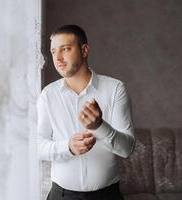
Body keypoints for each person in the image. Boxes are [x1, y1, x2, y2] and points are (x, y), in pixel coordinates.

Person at [37, 24, 135, 200]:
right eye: (53, 52)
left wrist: (99, 126)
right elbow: (36, 146)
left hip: (107, 196)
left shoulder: (115, 89)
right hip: (61, 196)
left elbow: (127, 149)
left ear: (84, 50)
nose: (58, 58)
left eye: (65, 49)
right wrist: (68, 147)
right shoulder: (47, 95)